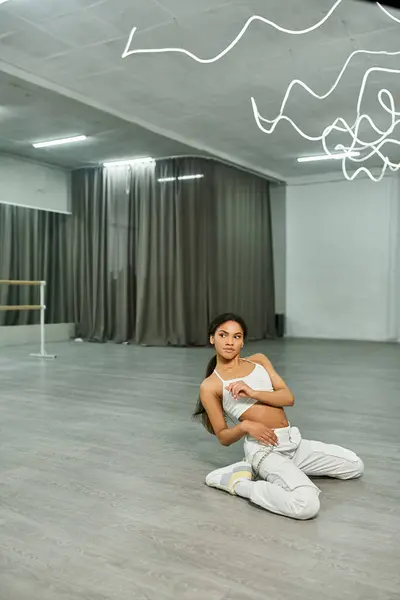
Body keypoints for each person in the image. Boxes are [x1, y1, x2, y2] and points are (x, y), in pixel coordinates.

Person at [193, 313, 364, 520]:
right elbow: (223, 436)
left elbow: (288, 397)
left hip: (292, 442)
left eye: (236, 336)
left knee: (355, 465)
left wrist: (253, 392)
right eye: (223, 335)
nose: (230, 342)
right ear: (212, 338)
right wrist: (246, 427)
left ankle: (273, 472)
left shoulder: (259, 361)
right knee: (306, 505)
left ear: (243, 341)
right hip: (265, 449)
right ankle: (239, 483)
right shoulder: (210, 385)